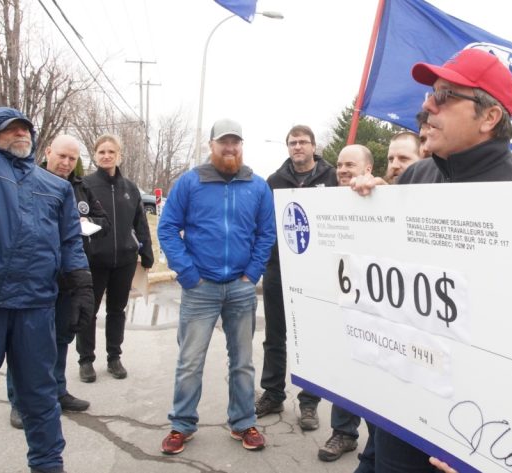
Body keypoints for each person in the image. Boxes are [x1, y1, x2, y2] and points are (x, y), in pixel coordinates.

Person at [352, 48, 512, 472]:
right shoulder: (418, 176)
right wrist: (365, 212)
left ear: (489, 117)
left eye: (444, 95)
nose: (426, 106)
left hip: (479, 427)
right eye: (429, 94)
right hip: (405, 405)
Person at [157, 118, 276, 454]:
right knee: (190, 360)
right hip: (201, 288)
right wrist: (187, 273)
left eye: (235, 142)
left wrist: (252, 273)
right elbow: (167, 229)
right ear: (211, 145)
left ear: (241, 146)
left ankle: (243, 423)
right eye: (224, 141)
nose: (230, 147)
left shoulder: (257, 185)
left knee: (242, 361)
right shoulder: (190, 183)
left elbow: (266, 233)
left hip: (240, 288)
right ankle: (181, 425)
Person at [0, 107, 94, 473]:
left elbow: (70, 240)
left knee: (40, 397)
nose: (20, 134)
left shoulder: (55, 186)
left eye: (25, 129)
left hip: (36, 307)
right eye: (10, 129)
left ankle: (48, 465)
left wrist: (82, 287)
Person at [7, 135, 110, 428]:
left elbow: (104, 221)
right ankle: (19, 402)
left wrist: (84, 227)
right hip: (33, 279)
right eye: (61, 156)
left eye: (71, 159)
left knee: (62, 337)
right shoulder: (25, 180)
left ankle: (57, 390)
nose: (66, 163)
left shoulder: (79, 187)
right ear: (48, 151)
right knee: (23, 344)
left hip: (69, 278)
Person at [257, 125, 338, 431]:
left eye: (303, 142)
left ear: (313, 146)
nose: (298, 147)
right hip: (279, 267)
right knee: (275, 335)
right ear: (287, 147)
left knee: (312, 336)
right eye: (293, 142)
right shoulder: (274, 181)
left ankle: (309, 403)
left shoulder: (331, 178)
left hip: (317, 271)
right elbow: (264, 223)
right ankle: (273, 393)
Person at [77, 134, 154, 382]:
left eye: (111, 151)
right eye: (102, 152)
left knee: (117, 310)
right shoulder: (84, 185)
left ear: (119, 155)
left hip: (124, 261)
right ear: (95, 154)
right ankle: (86, 360)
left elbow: (140, 222)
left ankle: (114, 357)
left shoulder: (130, 188)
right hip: (94, 261)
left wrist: (146, 252)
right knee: (88, 312)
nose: (107, 155)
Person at [316, 144, 374, 463]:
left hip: (376, 307)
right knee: (345, 366)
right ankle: (344, 433)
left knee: (375, 373)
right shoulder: (327, 202)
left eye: (350, 164)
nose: (342, 170)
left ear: (368, 169)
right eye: (339, 164)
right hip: (340, 299)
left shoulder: (382, 197)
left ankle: (379, 441)